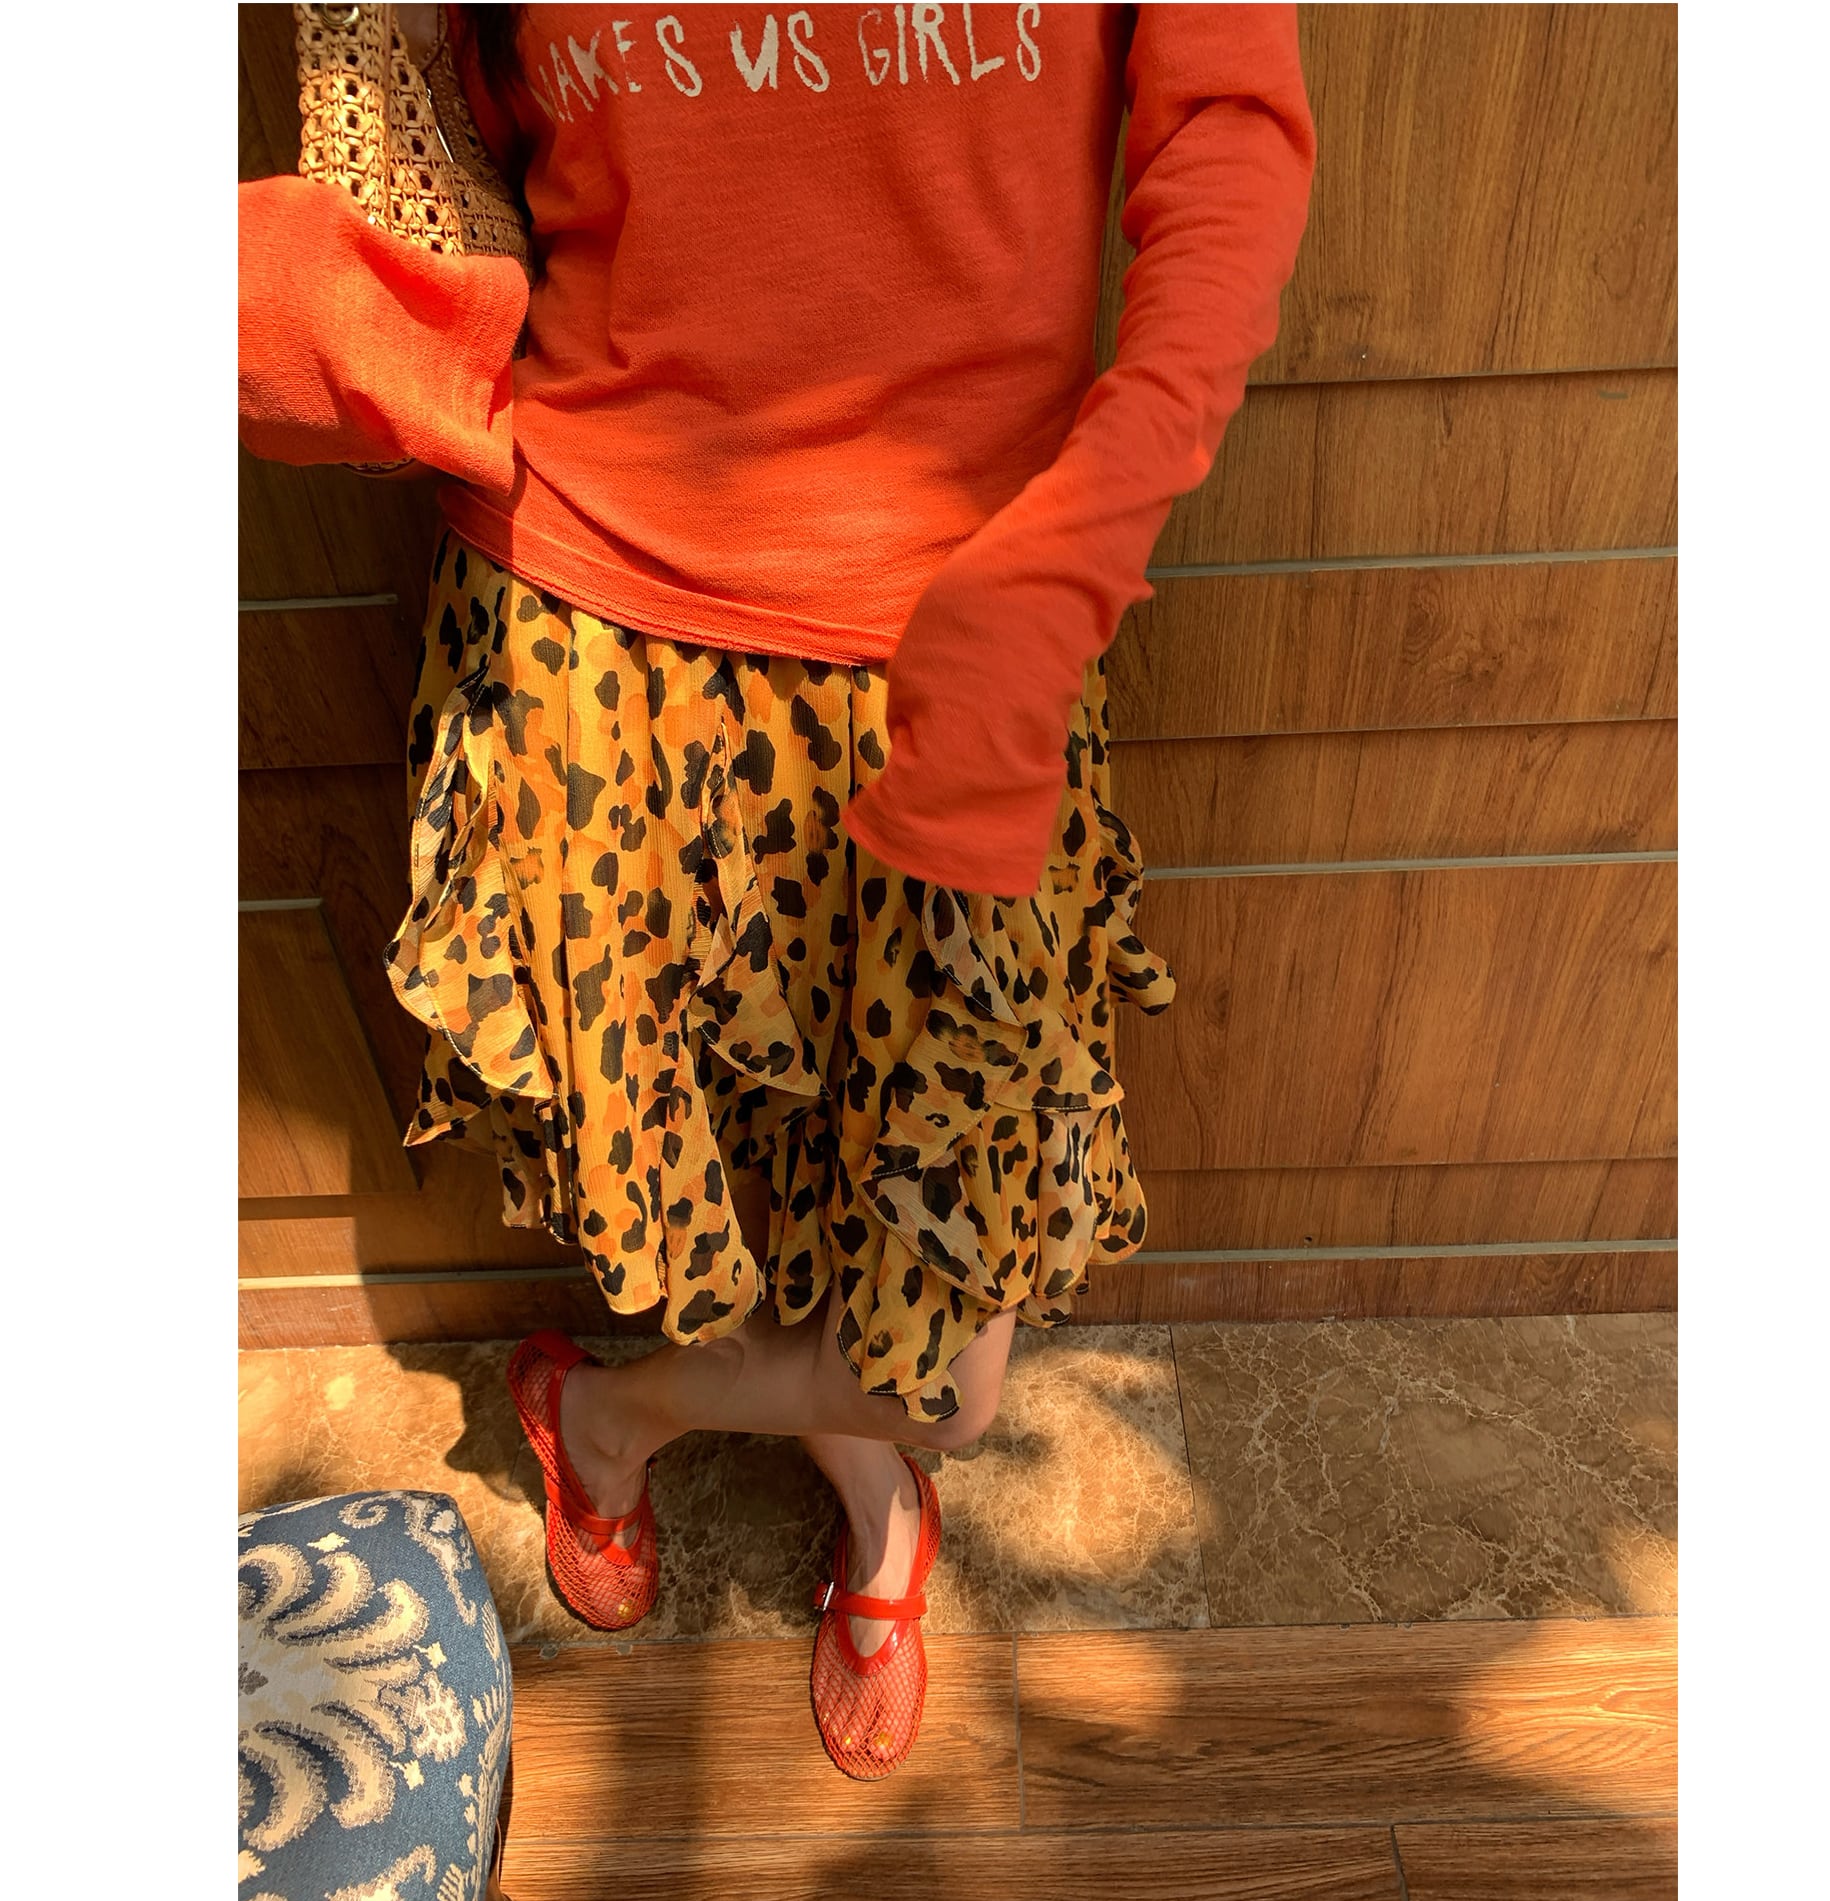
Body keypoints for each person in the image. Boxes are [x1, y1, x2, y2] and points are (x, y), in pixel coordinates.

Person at [240, 0, 1314, 1780]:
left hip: (961, 629)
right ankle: (857, 1491)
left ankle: (609, 1414)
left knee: (948, 1356)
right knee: (700, 1177)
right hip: (589, 603)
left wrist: (1077, 550)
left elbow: (1230, 128)